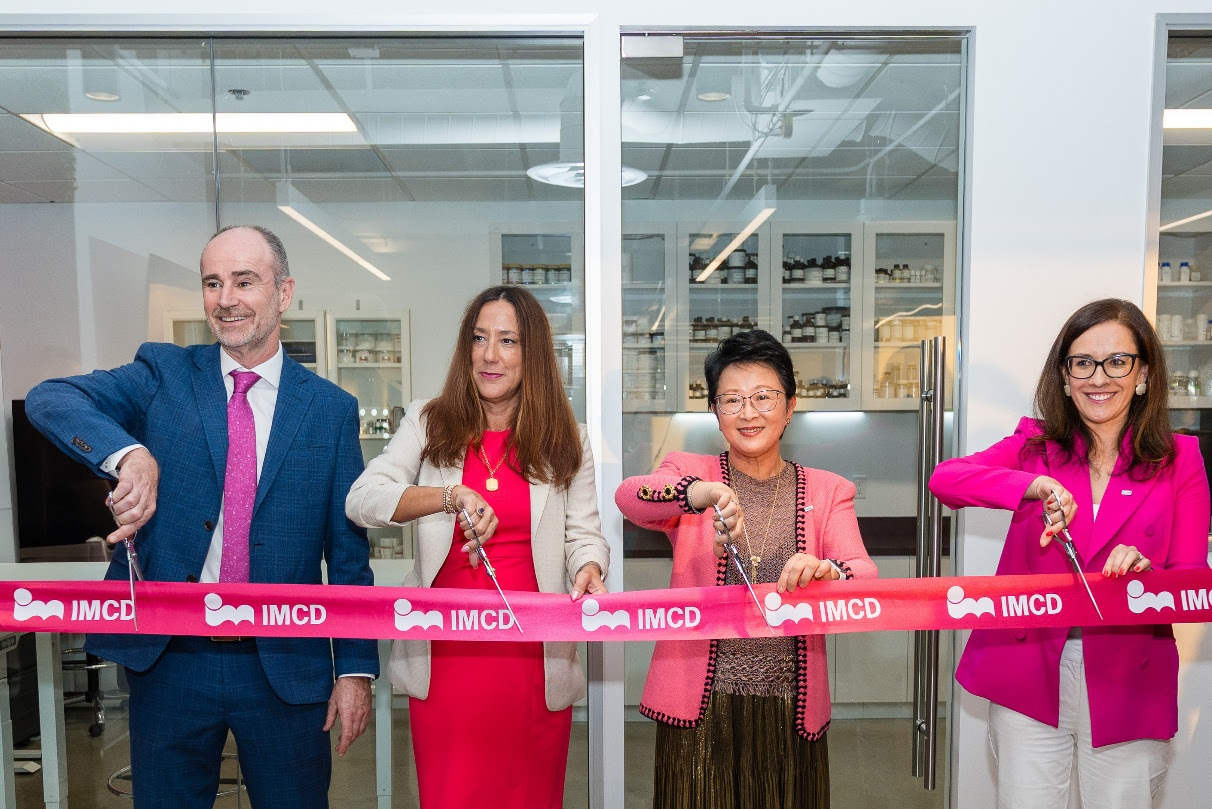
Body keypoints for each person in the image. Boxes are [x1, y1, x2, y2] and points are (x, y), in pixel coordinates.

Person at [24, 225, 378, 809]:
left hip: (286, 666)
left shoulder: (330, 411)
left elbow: (347, 555)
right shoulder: (163, 375)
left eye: (245, 281)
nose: (226, 298)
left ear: (284, 293)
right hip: (173, 661)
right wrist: (129, 453)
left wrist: (357, 670)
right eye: (213, 283)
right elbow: (50, 398)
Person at [929, 298, 1210, 809]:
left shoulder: (1180, 458)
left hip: (1130, 680)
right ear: (1063, 375)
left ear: (1143, 371)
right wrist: (1031, 485)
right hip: (1029, 670)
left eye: (1117, 361)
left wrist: (1147, 576)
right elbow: (945, 480)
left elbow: (1191, 588)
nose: (1097, 377)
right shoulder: (1035, 445)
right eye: (1082, 362)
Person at [345, 285, 609, 809]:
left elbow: (584, 535)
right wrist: (446, 496)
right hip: (447, 659)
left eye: (508, 341)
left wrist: (589, 567)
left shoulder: (567, 438)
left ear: (532, 355)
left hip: (532, 660)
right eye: (479, 338)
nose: (490, 355)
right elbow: (362, 500)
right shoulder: (428, 421)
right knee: (452, 794)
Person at [614, 328, 876, 809]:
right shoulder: (689, 469)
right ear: (715, 411)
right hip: (699, 704)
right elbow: (631, 496)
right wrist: (699, 495)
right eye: (731, 400)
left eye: (763, 397)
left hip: (788, 707)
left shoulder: (827, 490)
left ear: (790, 405)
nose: (748, 413)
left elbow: (863, 573)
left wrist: (826, 571)